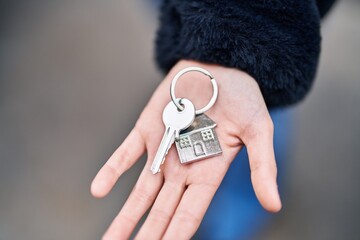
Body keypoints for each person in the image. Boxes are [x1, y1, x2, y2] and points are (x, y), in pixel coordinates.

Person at [91, 1, 337, 239]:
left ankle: (236, 216)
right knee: (165, 10)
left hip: (275, 22)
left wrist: (240, 36)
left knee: (254, 128)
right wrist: (195, 35)